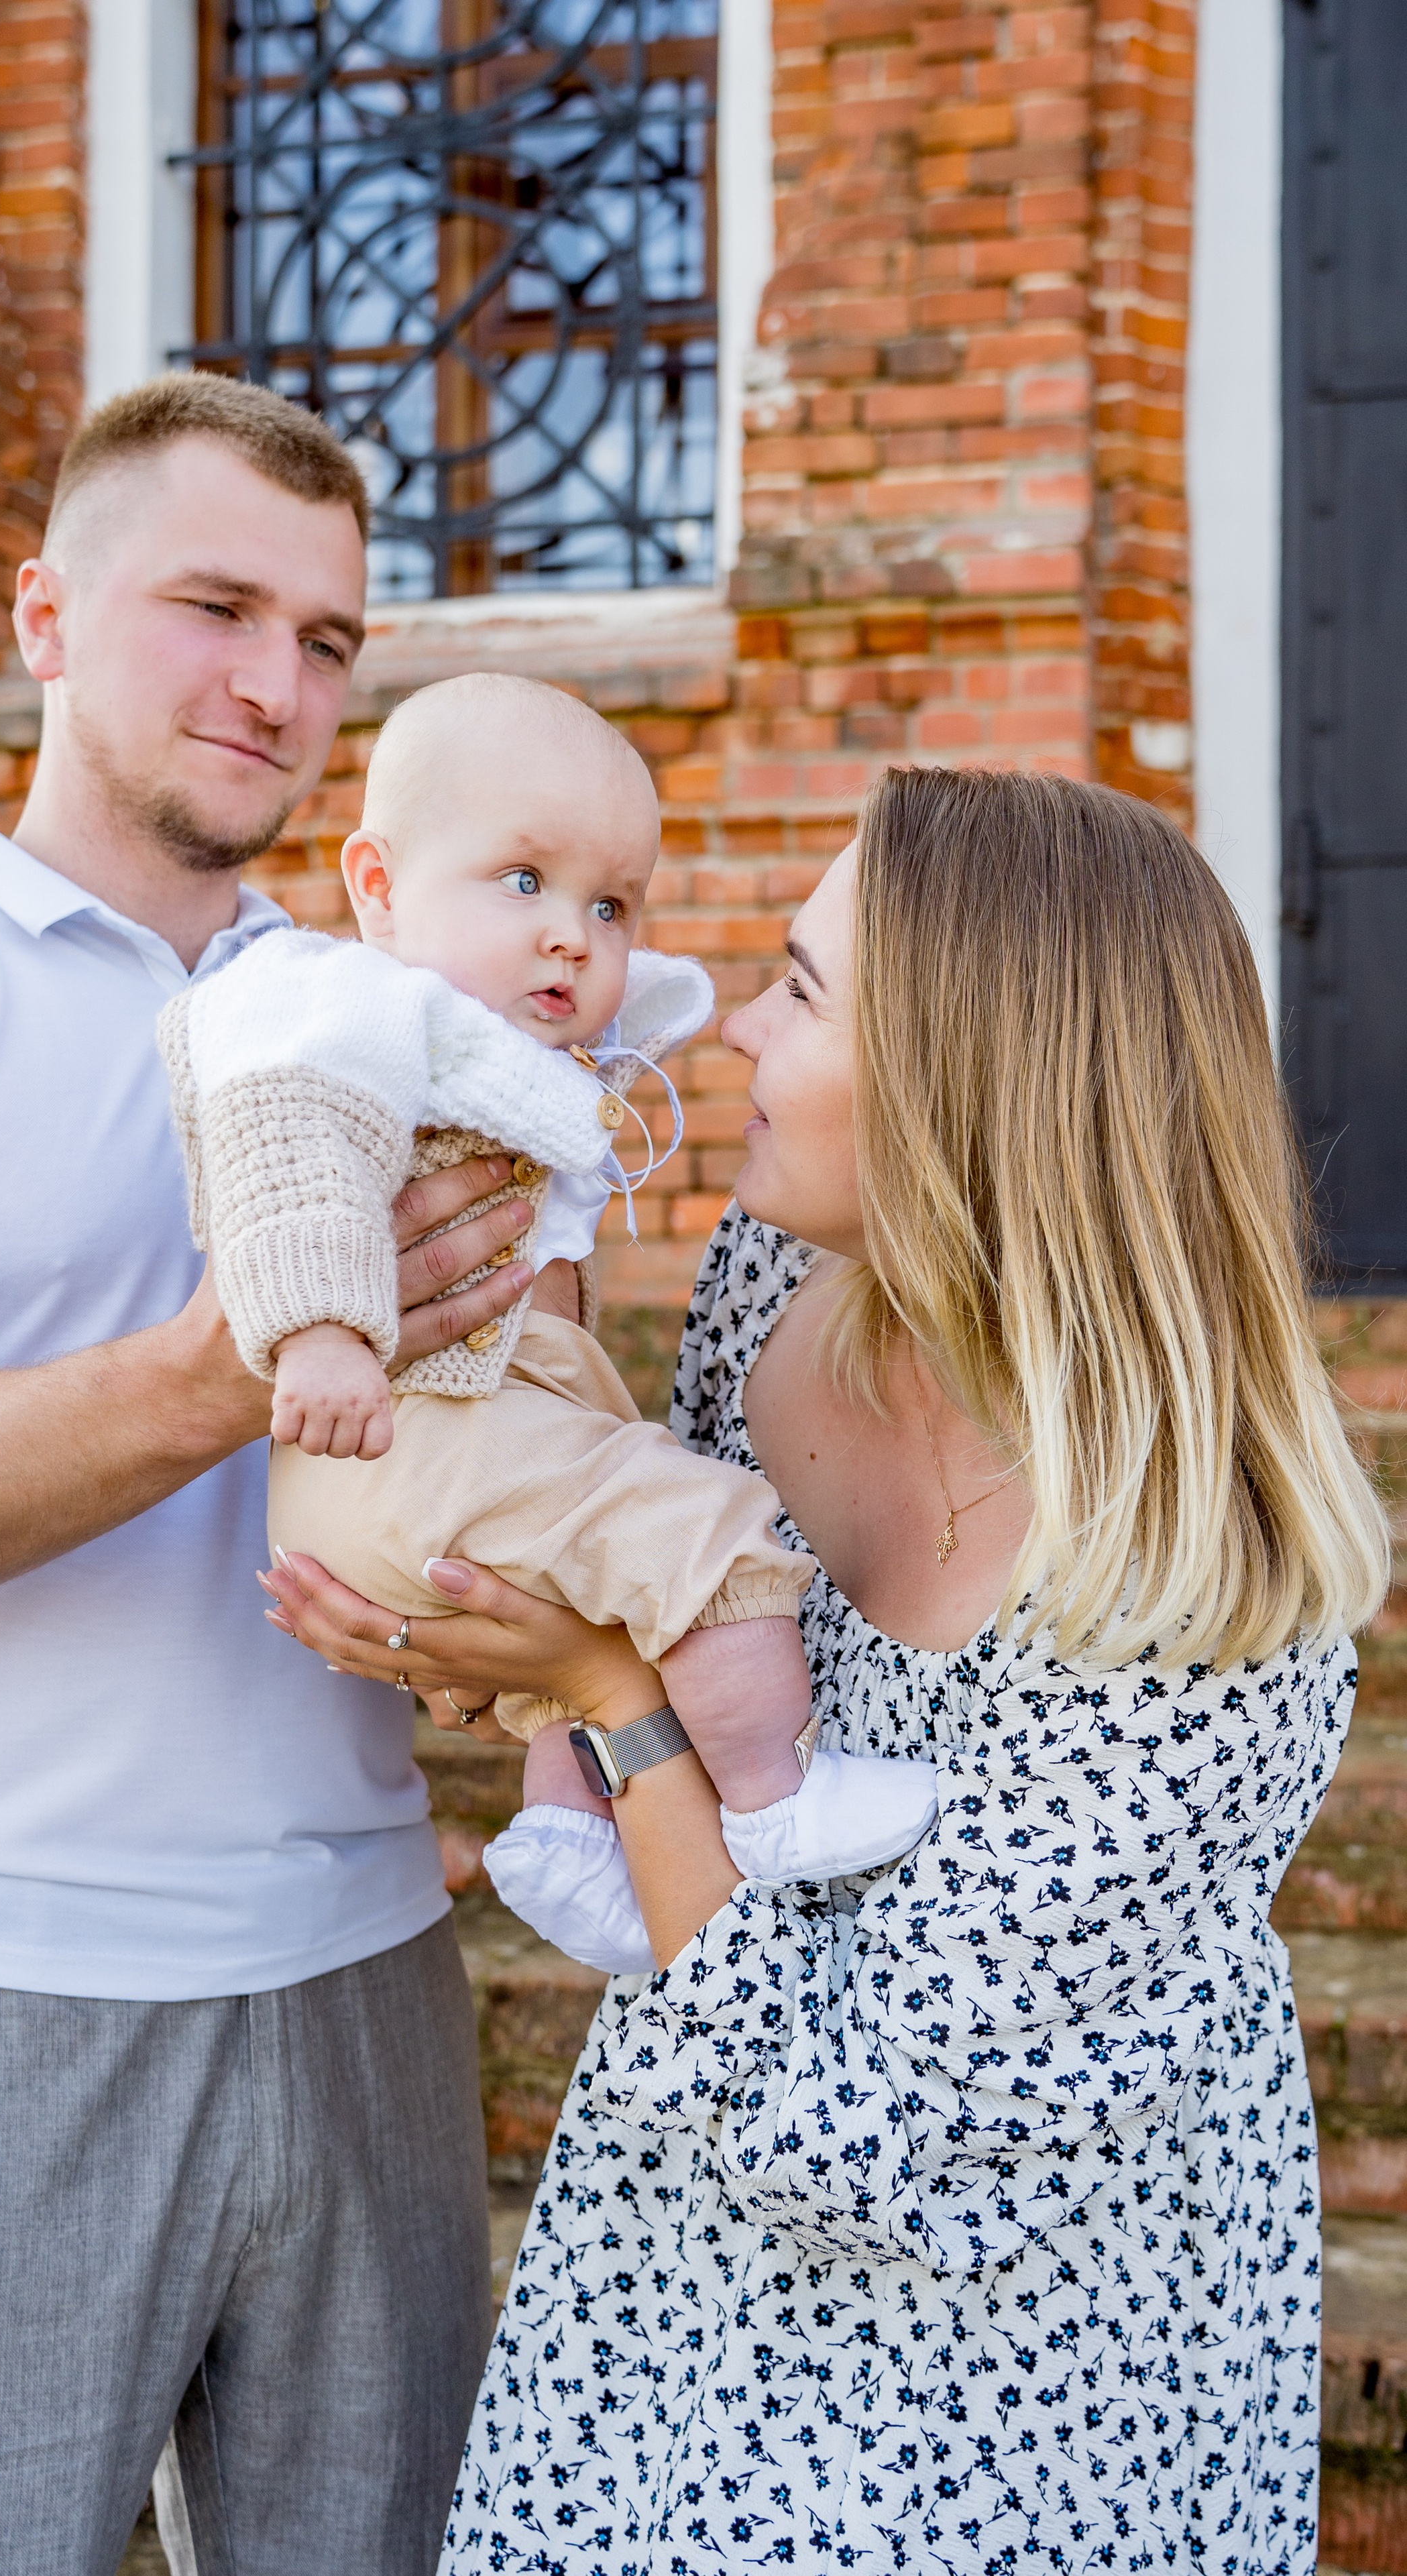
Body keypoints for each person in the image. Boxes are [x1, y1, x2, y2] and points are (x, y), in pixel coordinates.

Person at [262, 763, 1390, 2576]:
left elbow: (856, 2127)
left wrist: (612, 1706)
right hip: (668, 2295)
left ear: (966, 1082)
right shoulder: (765, 1285)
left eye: (798, 991)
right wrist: (484, 1621)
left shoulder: (1203, 1604)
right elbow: (676, 1638)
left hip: (1016, 2393)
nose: (729, 1037)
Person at [0, 375, 539, 2576]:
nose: (280, 684)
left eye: (334, 639)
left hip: (361, 1980)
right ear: (46, 615)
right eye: (217, 607)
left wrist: (501, 1618)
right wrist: (237, 1359)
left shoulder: (397, 1014)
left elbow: (488, 1487)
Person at [172, 671, 936, 1972]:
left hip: (458, 1447)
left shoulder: (512, 1050)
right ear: (376, 883)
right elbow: (281, 1149)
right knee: (700, 1528)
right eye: (520, 880)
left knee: (604, 1567)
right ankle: (774, 1792)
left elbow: (639, 1027)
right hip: (399, 1442)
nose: (573, 937)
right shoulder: (342, 1008)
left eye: (609, 903)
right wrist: (317, 1333)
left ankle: (564, 1827)